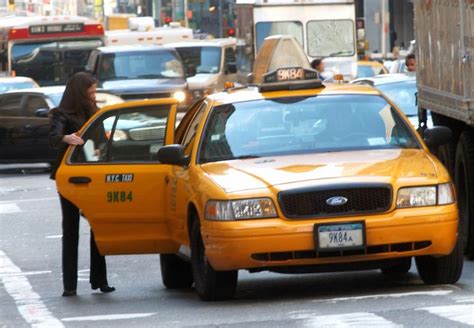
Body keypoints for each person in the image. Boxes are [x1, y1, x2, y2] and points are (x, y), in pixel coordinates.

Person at [49, 72, 115, 297]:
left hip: (93, 174)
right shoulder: (61, 114)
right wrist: (66, 138)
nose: (94, 96)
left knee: (98, 226)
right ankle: (70, 286)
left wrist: (102, 147)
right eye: (91, 92)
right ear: (80, 93)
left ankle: (100, 279)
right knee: (70, 229)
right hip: (69, 176)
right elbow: (53, 137)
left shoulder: (94, 112)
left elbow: (102, 142)